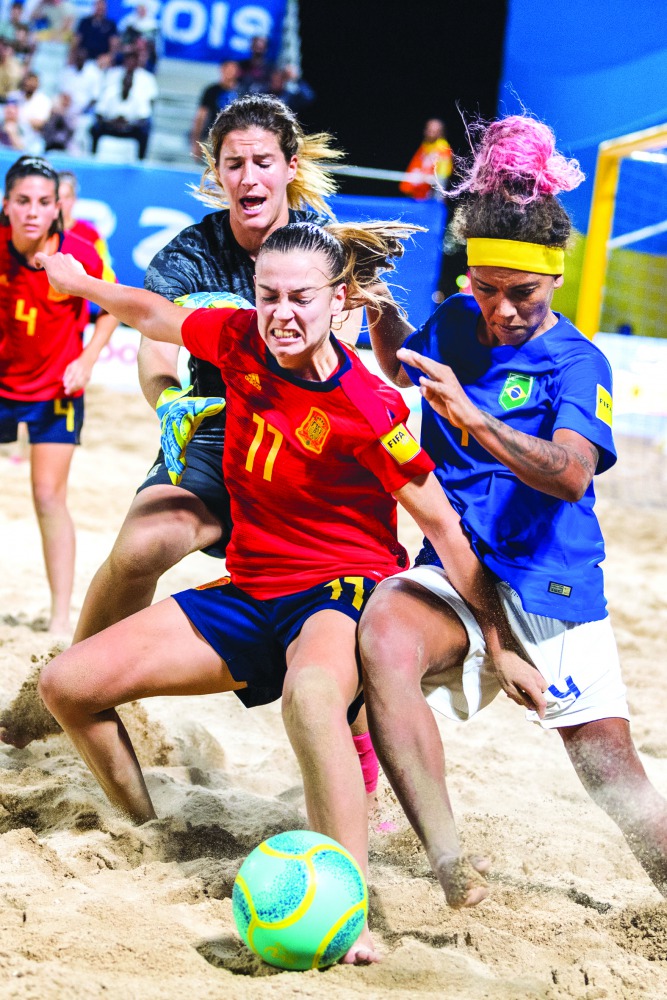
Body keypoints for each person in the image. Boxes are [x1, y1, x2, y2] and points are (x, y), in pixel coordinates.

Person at [35, 219, 528, 961]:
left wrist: (501, 643)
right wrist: (79, 286)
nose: (282, 313)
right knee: (66, 684)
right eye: (268, 295)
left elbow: (449, 531)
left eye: (300, 297)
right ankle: (147, 825)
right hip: (250, 592)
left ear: (337, 303)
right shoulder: (237, 340)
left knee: (311, 695)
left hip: (340, 591)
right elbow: (153, 313)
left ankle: (349, 904)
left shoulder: (369, 407)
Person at [359, 114, 667, 906]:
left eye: (520, 293)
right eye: (485, 288)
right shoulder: (459, 319)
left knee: (612, 778)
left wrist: (473, 418)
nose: (500, 309)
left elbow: (568, 475)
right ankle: (447, 863)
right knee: (379, 640)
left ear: (554, 281)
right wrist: (376, 307)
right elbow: (404, 366)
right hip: (459, 576)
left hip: (550, 586)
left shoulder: (577, 361)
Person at [69, 92, 384, 800]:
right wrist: (168, 406)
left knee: (342, 618)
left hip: (306, 443)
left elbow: (356, 360)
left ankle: (363, 776)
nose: (248, 175)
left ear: (288, 168)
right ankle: (80, 678)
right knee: (142, 547)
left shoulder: (325, 249)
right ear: (217, 172)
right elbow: (155, 355)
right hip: (212, 430)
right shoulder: (186, 255)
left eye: (261, 161)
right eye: (233, 162)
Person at [0, 155, 118, 633]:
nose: (32, 211)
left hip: (55, 390)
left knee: (49, 496)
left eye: (43, 202)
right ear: (6, 204)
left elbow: (110, 308)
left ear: (57, 208)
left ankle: (57, 619)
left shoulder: (78, 254)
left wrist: (86, 359)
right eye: (23, 200)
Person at [89, 43, 157, 160]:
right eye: (128, 58)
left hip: (132, 125)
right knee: (94, 127)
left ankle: (140, 161)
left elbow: (144, 115)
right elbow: (100, 111)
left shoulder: (145, 83)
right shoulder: (112, 81)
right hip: (110, 123)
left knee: (145, 130)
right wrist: (112, 122)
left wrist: (128, 123)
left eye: (133, 59)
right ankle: (92, 157)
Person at [57, 169, 115, 283]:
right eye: (57, 197)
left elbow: (107, 277)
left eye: (66, 197)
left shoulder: (90, 233)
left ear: (74, 199)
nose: (61, 203)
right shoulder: (39, 229)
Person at [190, 60, 240, 160]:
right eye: (228, 69)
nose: (231, 72)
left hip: (235, 140)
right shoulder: (212, 91)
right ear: (222, 70)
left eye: (233, 69)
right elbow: (201, 116)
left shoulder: (241, 92)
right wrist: (196, 142)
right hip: (212, 137)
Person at [399, 118, 452, 201]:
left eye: (434, 131)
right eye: (429, 129)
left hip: (432, 191)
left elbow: (443, 174)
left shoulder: (442, 148)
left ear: (440, 133)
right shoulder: (425, 145)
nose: (431, 133)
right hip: (419, 190)